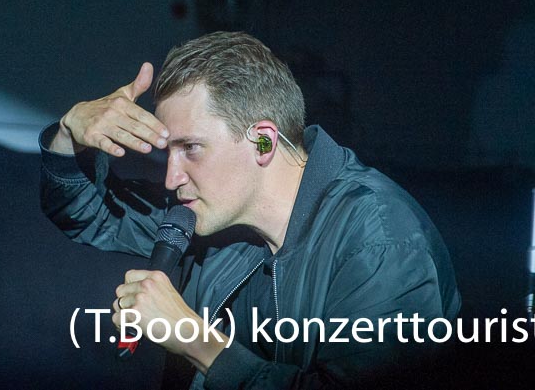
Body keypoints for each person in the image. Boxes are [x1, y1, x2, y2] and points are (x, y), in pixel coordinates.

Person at [40, 31, 460, 389]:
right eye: (169, 152)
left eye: (191, 148)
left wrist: (195, 340)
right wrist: (69, 133)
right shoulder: (208, 215)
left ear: (263, 142)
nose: (171, 178)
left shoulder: (380, 241)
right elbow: (86, 211)